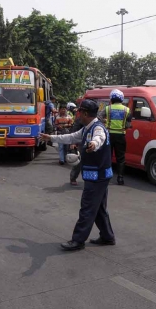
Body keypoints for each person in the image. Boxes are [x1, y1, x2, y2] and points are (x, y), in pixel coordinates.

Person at [40, 99, 115, 251]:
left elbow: (99, 139)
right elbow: (71, 137)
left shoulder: (97, 128)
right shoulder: (87, 128)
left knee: (87, 207)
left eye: (80, 112)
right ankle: (107, 237)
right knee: (99, 208)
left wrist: (93, 144)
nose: (78, 114)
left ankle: (78, 240)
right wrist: (51, 138)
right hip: (99, 176)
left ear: (85, 113)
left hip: (97, 177)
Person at [103, 89, 131, 186]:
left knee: (108, 156)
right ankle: (120, 178)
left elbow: (99, 118)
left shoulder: (107, 109)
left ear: (111, 98)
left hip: (109, 135)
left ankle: (107, 176)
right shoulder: (127, 110)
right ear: (122, 98)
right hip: (121, 136)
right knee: (121, 158)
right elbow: (128, 124)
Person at [69, 116, 84, 186]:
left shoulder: (96, 121)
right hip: (80, 143)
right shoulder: (79, 120)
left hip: (91, 143)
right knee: (78, 162)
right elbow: (74, 132)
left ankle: (88, 179)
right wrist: (73, 143)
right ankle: (73, 178)